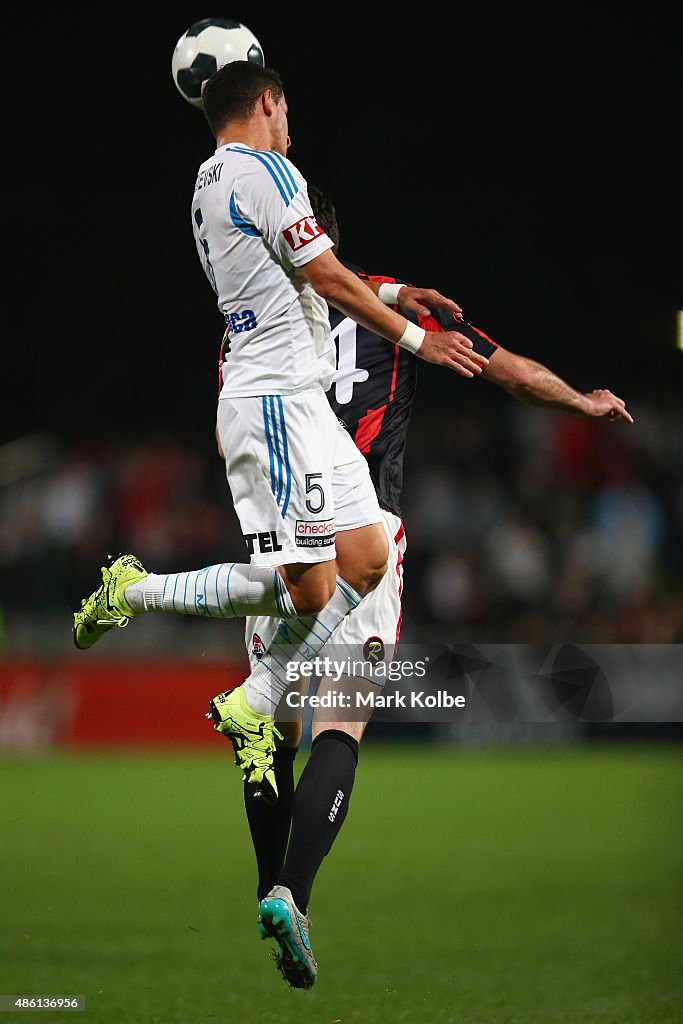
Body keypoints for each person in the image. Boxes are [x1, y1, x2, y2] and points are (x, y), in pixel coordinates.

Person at [71, 59, 490, 946]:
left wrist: (379, 289)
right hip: (275, 409)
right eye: (286, 104)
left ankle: (249, 697)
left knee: (367, 553)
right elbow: (324, 278)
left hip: (291, 407)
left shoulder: (216, 184)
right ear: (264, 102)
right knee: (308, 598)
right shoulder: (262, 171)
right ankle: (141, 594)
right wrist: (413, 330)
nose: (291, 119)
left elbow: (311, 279)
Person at [238, 184, 634, 990]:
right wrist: (579, 400)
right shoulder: (402, 319)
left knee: (270, 728)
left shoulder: (248, 328)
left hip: (278, 546)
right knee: (339, 727)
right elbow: (511, 374)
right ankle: (293, 892)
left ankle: (263, 881)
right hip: (362, 539)